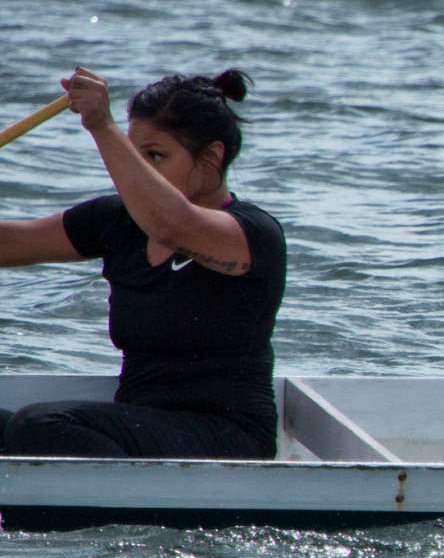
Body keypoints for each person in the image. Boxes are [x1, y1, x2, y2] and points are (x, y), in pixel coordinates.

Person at [0, 67, 287, 459]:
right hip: (140, 425)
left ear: (211, 157)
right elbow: (11, 242)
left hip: (228, 437)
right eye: (133, 157)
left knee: (39, 426)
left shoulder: (252, 234)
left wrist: (102, 126)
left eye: (155, 156)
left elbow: (173, 226)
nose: (136, 173)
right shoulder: (118, 222)